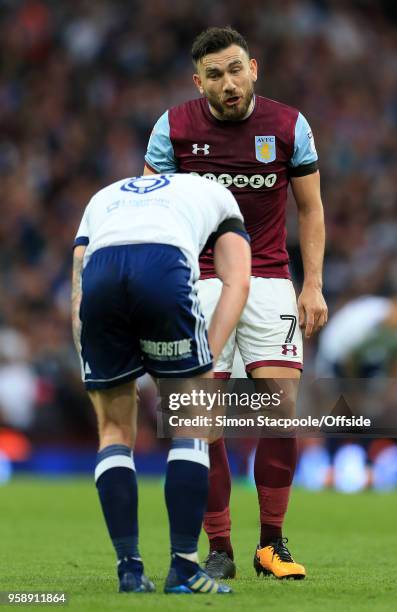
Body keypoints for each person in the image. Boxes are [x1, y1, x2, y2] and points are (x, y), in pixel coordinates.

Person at [144, 26, 328, 580]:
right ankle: (219, 546)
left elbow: (312, 210)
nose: (228, 83)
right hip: (199, 280)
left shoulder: (289, 126)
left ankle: (271, 543)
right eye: (215, 75)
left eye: (236, 69)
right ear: (197, 81)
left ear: (255, 68)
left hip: (269, 276)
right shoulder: (172, 128)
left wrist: (313, 283)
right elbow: (151, 209)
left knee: (279, 405)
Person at [71, 173, 251, 594]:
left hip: (102, 272)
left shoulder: (104, 193)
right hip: (163, 262)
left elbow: (78, 290)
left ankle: (129, 570)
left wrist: (93, 362)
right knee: (191, 423)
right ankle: (185, 568)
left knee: (113, 429)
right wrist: (205, 357)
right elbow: (237, 281)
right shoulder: (217, 193)